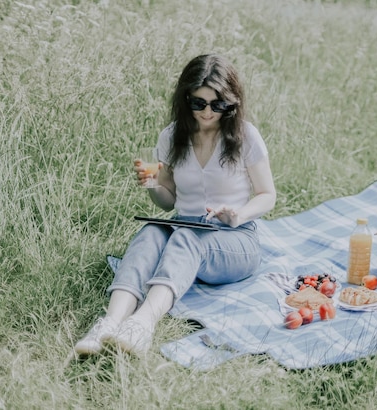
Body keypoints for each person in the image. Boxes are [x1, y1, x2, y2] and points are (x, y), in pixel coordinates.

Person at [75, 54, 276, 356]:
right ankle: (110, 322)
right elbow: (168, 202)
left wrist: (239, 214)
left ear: (230, 103)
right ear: (186, 99)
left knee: (185, 238)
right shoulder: (171, 137)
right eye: (199, 103)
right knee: (151, 232)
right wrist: (153, 185)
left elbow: (267, 194)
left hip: (236, 238)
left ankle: (142, 324)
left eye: (217, 104)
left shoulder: (246, 136)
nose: (207, 112)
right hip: (186, 224)